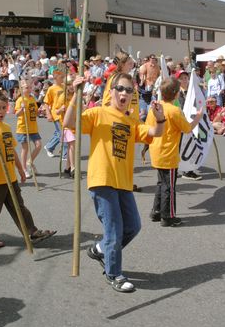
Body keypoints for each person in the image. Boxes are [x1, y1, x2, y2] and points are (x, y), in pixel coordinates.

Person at [63, 72, 165, 293]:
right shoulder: (98, 113)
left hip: (123, 183)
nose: (124, 94)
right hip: (102, 180)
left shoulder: (131, 120)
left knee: (133, 226)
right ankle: (114, 273)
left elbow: (156, 132)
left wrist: (160, 116)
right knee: (114, 230)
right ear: (111, 92)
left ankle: (101, 250)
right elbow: (68, 122)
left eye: (129, 90)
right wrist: (76, 96)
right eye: (120, 88)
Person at [0, 90, 56, 248]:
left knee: (19, 207)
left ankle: (31, 232)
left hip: (10, 177)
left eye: (4, 107)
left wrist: (20, 170)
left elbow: (11, 151)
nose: (1, 111)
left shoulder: (5, 127)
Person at [146, 77, 203, 227]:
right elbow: (187, 128)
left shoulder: (155, 107)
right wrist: (198, 117)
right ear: (176, 94)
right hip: (168, 153)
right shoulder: (174, 110)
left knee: (161, 183)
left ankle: (156, 211)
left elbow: (148, 127)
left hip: (156, 150)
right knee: (169, 186)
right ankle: (168, 216)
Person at [15, 81, 42, 178]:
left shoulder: (32, 99)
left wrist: (39, 112)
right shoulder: (20, 100)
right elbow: (17, 114)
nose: (29, 89)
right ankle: (24, 169)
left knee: (38, 145)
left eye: (30, 87)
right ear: (21, 89)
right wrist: (21, 110)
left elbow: (35, 112)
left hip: (33, 127)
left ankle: (29, 162)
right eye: (26, 87)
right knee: (25, 148)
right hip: (23, 128)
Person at [43, 69, 64, 158]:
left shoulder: (64, 86)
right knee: (61, 133)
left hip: (64, 114)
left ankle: (53, 147)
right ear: (55, 78)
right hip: (56, 114)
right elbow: (46, 102)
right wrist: (48, 114)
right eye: (61, 77)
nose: (63, 78)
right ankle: (50, 147)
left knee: (59, 132)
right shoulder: (51, 89)